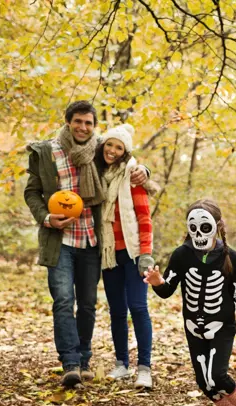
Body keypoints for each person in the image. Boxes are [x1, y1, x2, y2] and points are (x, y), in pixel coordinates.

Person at [24, 100, 155, 388]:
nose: (83, 127)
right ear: (68, 121)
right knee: (62, 301)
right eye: (78, 121)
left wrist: (145, 170)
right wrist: (46, 217)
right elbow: (32, 192)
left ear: (94, 127)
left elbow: (124, 161)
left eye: (88, 122)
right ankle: (70, 363)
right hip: (60, 241)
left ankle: (84, 360)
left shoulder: (99, 149)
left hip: (93, 241)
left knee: (87, 305)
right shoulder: (47, 151)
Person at [144, 199, 236, 406]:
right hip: (193, 327)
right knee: (204, 382)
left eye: (204, 227)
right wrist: (157, 282)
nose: (198, 233)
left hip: (221, 326)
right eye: (193, 228)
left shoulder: (231, 257)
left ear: (216, 225)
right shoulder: (181, 255)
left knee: (217, 375)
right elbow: (167, 289)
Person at [96, 123, 154, 388]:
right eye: (110, 144)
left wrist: (146, 254)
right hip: (109, 254)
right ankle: (121, 364)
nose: (113, 150)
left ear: (124, 152)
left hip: (132, 254)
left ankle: (144, 368)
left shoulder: (132, 176)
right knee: (117, 311)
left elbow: (144, 217)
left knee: (138, 309)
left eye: (119, 147)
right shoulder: (97, 175)